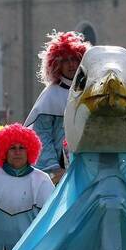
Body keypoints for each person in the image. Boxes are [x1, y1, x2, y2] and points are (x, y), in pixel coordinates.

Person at [24, 30, 88, 178]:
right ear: (56, 64)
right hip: (60, 169)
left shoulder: (91, 91)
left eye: (75, 59)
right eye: (65, 60)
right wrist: (53, 169)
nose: (71, 64)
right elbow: (42, 136)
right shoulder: (50, 96)